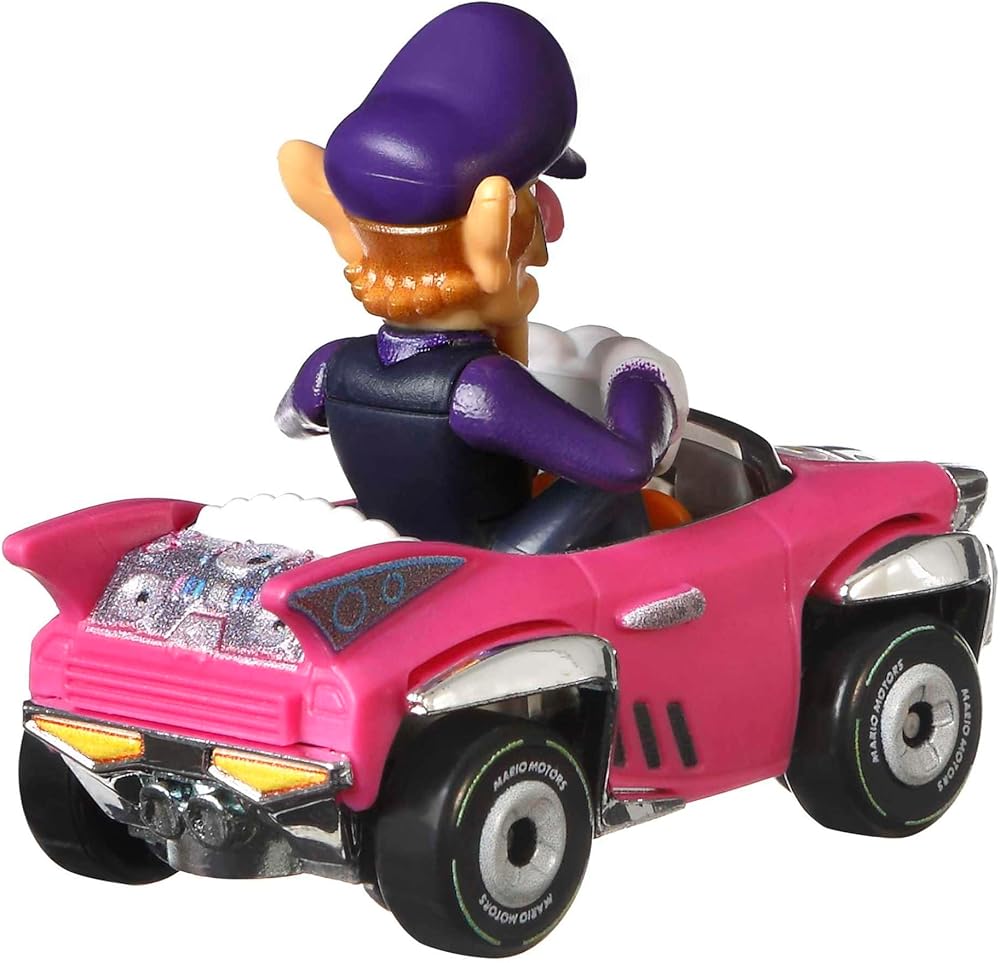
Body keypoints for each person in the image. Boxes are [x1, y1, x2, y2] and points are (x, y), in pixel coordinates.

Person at [275, 2, 686, 550]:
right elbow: (627, 465)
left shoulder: (331, 364)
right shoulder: (480, 387)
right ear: (489, 240)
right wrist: (636, 375)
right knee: (608, 488)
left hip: (390, 548)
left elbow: (291, 420)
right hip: (494, 560)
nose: (540, 254)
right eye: (535, 216)